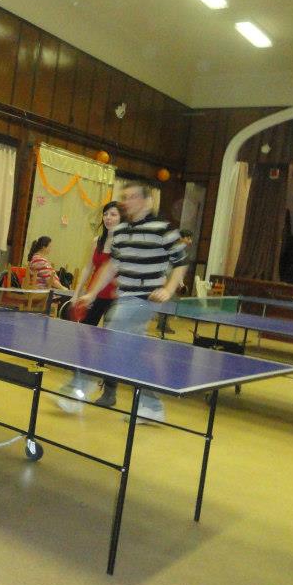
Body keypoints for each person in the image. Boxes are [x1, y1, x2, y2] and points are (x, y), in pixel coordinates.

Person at [76, 180, 188, 424]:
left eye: (133, 197)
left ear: (148, 201)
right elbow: (111, 266)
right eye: (125, 197)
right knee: (133, 354)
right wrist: (92, 293)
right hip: (125, 296)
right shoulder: (121, 232)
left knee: (112, 334)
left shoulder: (163, 229)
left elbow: (180, 262)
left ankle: (79, 388)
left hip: (146, 298)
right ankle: (152, 406)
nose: (127, 202)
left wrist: (168, 289)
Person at [55, 202, 121, 413]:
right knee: (84, 340)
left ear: (122, 218)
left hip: (116, 298)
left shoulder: (124, 244)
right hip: (94, 296)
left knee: (111, 345)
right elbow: (88, 268)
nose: (108, 218)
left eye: (113, 214)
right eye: (106, 214)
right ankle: (79, 381)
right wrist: (76, 294)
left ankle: (109, 391)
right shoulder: (97, 242)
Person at [155, 228, 193, 335]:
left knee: (167, 303)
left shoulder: (181, 250)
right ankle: (163, 325)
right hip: (167, 279)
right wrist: (165, 279)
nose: (190, 241)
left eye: (191, 239)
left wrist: (181, 284)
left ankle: (162, 324)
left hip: (170, 279)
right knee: (167, 303)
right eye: (188, 238)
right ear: (181, 238)